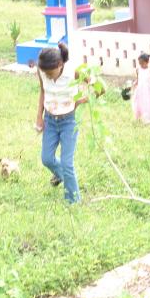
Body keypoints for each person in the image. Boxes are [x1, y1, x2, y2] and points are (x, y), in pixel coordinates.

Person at [35, 42, 87, 203]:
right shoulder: (42, 71)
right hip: (50, 120)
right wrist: (39, 117)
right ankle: (63, 177)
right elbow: (43, 91)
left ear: (59, 64)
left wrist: (80, 100)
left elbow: (92, 86)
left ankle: (73, 200)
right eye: (46, 74)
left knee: (67, 162)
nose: (48, 77)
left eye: (50, 73)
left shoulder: (73, 71)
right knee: (47, 158)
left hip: (68, 121)